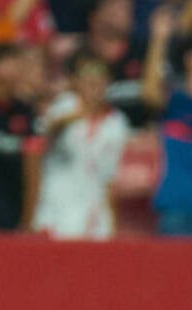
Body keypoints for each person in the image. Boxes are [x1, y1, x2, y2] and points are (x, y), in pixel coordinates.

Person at [32, 53, 129, 239]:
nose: (94, 87)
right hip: (57, 207)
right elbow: (46, 131)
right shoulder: (64, 107)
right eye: (88, 81)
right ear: (76, 82)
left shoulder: (116, 123)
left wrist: (114, 222)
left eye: (99, 82)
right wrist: (79, 115)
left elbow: (110, 177)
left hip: (94, 211)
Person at [142, 9, 192, 235]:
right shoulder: (176, 99)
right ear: (189, 57)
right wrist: (159, 40)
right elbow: (150, 92)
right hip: (176, 205)